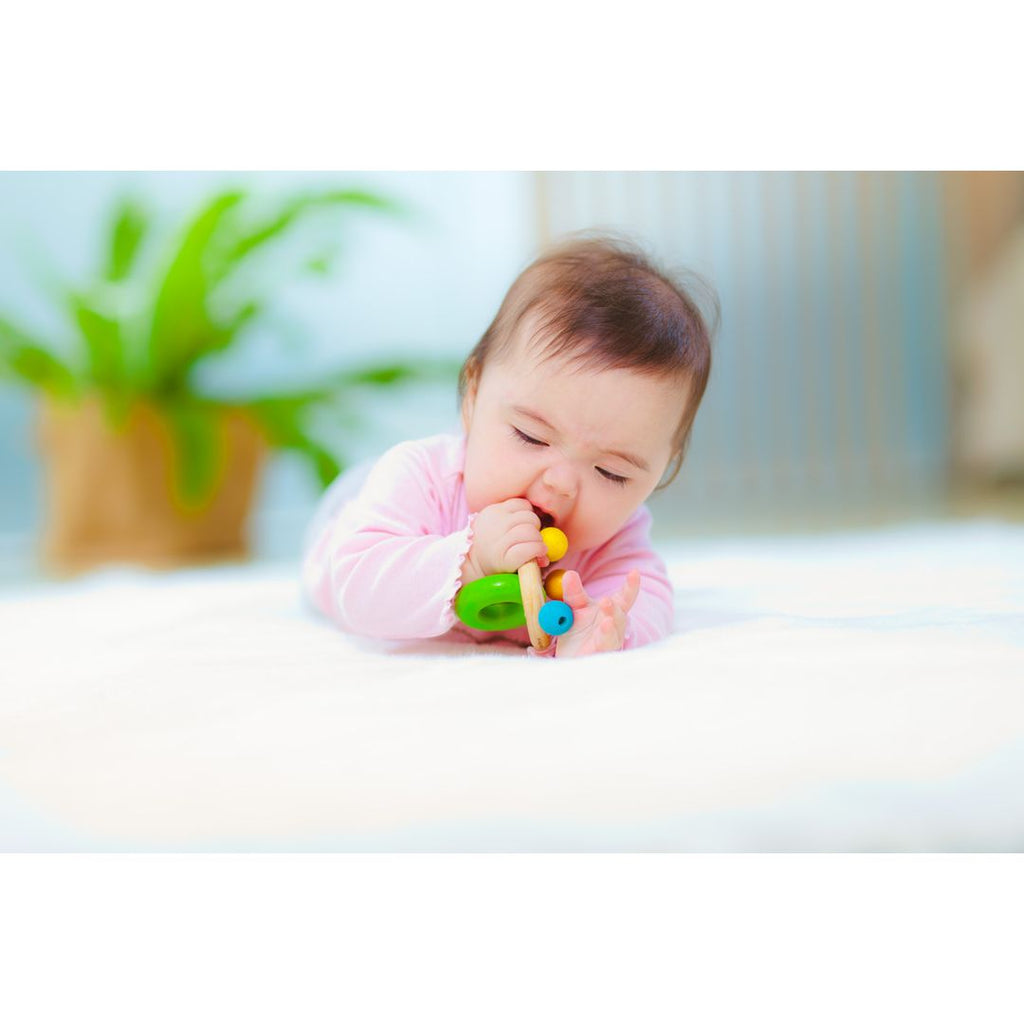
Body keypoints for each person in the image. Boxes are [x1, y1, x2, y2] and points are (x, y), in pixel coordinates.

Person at [302, 234, 716, 656]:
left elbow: (647, 597)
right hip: (357, 519)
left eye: (612, 472)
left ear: (662, 470)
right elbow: (356, 583)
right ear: (473, 395)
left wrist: (604, 628)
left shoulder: (613, 540)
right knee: (356, 503)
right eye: (531, 436)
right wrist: (470, 561)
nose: (560, 484)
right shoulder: (421, 478)